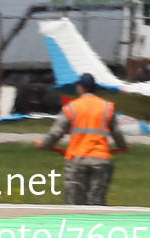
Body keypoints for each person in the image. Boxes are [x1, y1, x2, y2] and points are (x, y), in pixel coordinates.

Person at [34, 72, 129, 205]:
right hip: (100, 161)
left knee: (75, 205)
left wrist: (44, 144)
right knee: (97, 205)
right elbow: (117, 133)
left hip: (77, 161)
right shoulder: (107, 107)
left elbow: (56, 133)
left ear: (80, 87)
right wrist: (122, 146)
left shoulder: (72, 108)